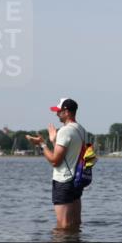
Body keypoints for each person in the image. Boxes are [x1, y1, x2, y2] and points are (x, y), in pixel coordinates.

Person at [26, 98, 87, 230]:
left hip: (64, 181)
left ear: (66, 112)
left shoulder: (65, 131)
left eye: (59, 111)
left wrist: (42, 144)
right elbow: (68, 155)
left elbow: (55, 161)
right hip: (77, 180)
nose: (57, 114)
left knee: (62, 226)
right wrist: (54, 141)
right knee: (75, 223)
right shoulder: (81, 130)